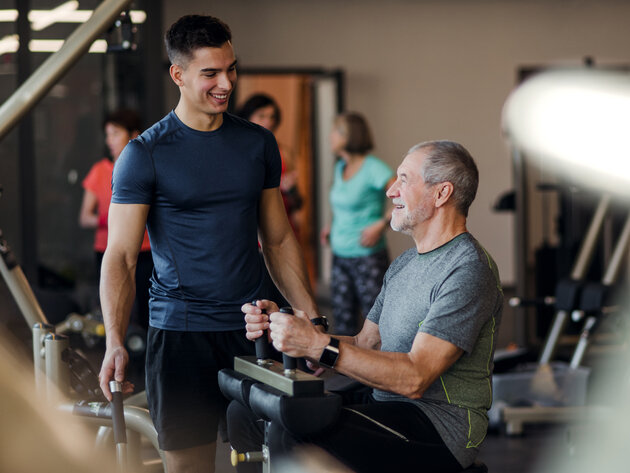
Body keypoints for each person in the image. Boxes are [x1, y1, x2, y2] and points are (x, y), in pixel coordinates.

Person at [96, 15, 318, 473]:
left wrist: (309, 316)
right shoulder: (145, 155)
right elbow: (119, 256)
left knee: (273, 462)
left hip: (253, 329)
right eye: (211, 73)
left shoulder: (257, 144)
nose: (226, 83)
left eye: (231, 69)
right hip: (180, 335)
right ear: (178, 74)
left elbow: (276, 237)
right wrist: (115, 340)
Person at [230, 140, 504, 473]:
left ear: (441, 193)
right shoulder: (405, 263)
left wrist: (319, 345)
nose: (391, 191)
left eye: (404, 179)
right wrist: (291, 334)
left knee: (295, 432)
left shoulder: (467, 269)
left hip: (438, 426)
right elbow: (364, 344)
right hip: (384, 403)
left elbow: (416, 378)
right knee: (249, 413)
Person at [320, 113, 395, 335]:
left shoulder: (374, 168)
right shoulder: (340, 167)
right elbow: (339, 203)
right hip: (340, 254)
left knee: (375, 319)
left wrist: (381, 225)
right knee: (343, 319)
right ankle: (348, 369)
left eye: (336, 131)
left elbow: (403, 198)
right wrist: (329, 226)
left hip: (367, 256)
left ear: (349, 136)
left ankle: (381, 368)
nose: (330, 136)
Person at [79, 109, 153, 333]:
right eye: (107, 135)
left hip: (146, 251)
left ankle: (145, 362)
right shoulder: (99, 171)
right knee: (117, 312)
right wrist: (114, 218)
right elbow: (84, 218)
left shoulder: (147, 167)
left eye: (114, 134)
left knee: (147, 310)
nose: (109, 140)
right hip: (107, 249)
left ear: (133, 135)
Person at [237, 93, 303, 237]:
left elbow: (298, 201)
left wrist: (290, 190)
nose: (268, 122)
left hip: (282, 224)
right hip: (251, 227)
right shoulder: (237, 152)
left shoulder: (284, 152)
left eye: (272, 117)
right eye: (261, 116)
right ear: (248, 117)